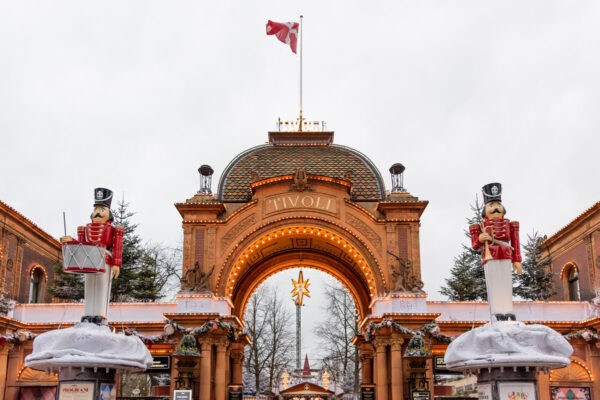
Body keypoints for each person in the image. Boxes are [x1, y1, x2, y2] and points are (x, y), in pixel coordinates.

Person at [61, 188, 123, 324]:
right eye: (96, 210)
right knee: (89, 286)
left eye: (102, 210)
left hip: (105, 258)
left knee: (102, 286)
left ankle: (100, 315)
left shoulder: (114, 230)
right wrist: (69, 240)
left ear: (109, 213)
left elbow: (117, 246)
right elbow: (81, 245)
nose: (98, 213)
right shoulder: (85, 228)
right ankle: (88, 314)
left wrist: (116, 263)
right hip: (88, 261)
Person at [469, 183, 522, 322]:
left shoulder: (511, 224)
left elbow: (515, 242)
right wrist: (480, 238)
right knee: (494, 283)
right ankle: (497, 311)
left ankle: (508, 311)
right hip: (490, 255)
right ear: (485, 210)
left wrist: (517, 260)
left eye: (498, 205)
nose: (496, 208)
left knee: (506, 283)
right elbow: (475, 245)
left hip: (505, 254)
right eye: (491, 206)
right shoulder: (479, 226)